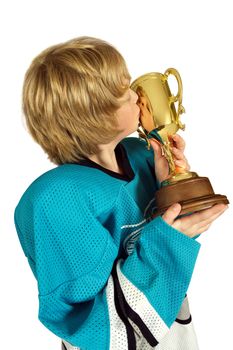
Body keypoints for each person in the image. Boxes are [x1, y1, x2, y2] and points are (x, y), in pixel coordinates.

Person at [14, 36, 228, 350]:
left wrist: (170, 187)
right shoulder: (58, 199)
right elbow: (94, 322)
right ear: (92, 115)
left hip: (174, 335)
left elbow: (161, 243)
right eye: (123, 92)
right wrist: (171, 238)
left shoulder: (140, 155)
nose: (136, 96)